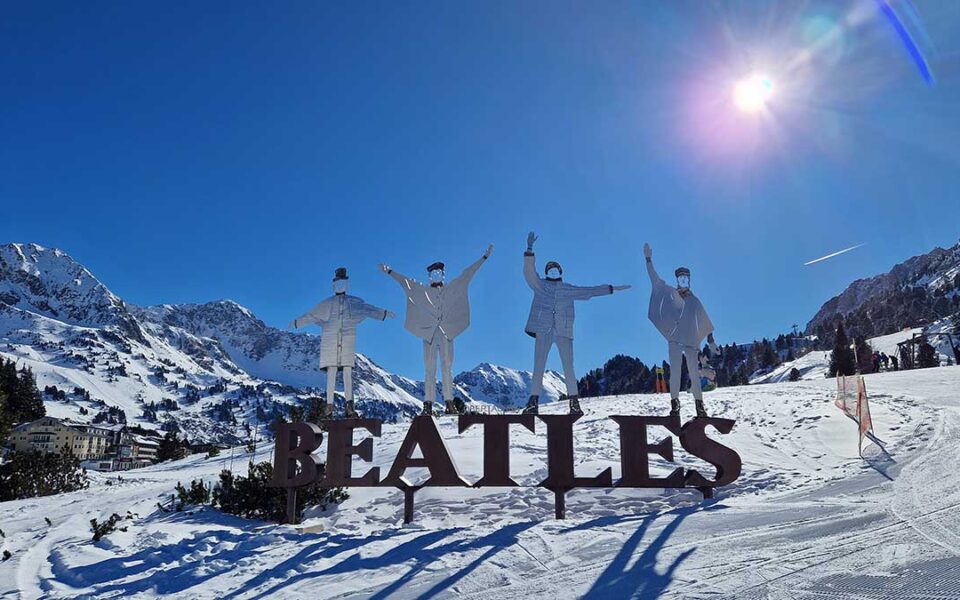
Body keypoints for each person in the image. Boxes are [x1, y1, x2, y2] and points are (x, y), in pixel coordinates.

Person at [521, 232, 630, 415]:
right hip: (543, 329)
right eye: (550, 269)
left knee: (568, 367)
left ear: (561, 273)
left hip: (564, 331)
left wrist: (610, 289)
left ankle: (574, 404)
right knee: (538, 366)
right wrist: (530, 250)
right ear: (546, 273)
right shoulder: (539, 285)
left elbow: (590, 291)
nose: (553, 271)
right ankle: (533, 403)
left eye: (556, 269)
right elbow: (528, 272)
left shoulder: (568, 289)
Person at [381, 245, 493, 415]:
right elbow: (406, 283)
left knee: (447, 367)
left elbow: (467, 274)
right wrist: (390, 272)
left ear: (443, 274)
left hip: (447, 333)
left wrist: (483, 258)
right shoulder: (422, 290)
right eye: (433, 273)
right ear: (429, 276)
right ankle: (428, 403)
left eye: (438, 273)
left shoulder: (452, 288)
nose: (436, 276)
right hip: (429, 334)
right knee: (429, 369)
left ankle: (449, 401)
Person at [289, 267, 395, 419]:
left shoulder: (354, 302)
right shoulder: (326, 304)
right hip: (330, 342)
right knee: (331, 371)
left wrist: (383, 313)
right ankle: (329, 407)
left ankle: (349, 407)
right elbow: (311, 315)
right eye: (338, 283)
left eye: (343, 283)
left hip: (347, 341)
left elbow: (368, 309)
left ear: (347, 285)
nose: (340, 286)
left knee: (347, 371)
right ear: (334, 286)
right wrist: (296, 322)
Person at [644, 243, 719, 418]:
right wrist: (648, 259)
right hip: (675, 339)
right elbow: (654, 278)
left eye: (686, 279)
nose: (683, 282)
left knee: (694, 371)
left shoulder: (694, 301)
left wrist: (711, 341)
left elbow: (704, 320)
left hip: (691, 342)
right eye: (681, 279)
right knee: (676, 371)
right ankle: (675, 404)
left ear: (689, 280)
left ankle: (700, 406)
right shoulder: (671, 294)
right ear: (678, 280)